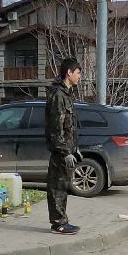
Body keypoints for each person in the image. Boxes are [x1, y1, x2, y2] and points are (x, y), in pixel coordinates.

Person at [45, 58, 83, 235]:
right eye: (78, 73)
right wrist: (64, 151)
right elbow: (55, 128)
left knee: (63, 186)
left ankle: (62, 220)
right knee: (57, 187)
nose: (79, 77)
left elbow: (69, 126)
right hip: (60, 151)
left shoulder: (66, 94)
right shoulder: (58, 95)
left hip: (66, 149)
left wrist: (74, 149)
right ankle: (58, 223)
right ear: (69, 73)